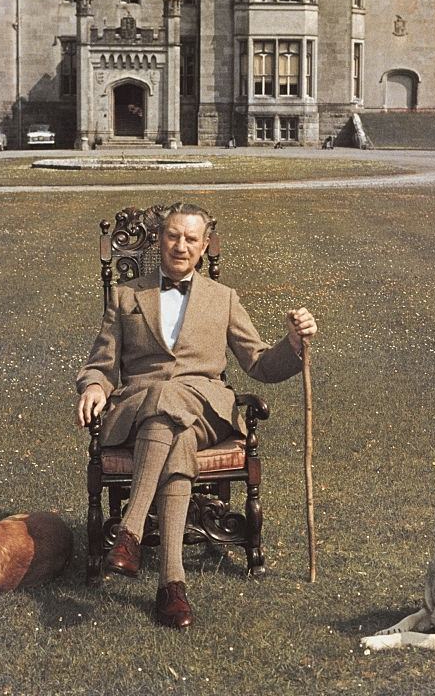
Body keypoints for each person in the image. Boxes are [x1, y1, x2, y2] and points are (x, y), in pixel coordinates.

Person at [76, 201, 316, 629]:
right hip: (144, 412)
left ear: (204, 246)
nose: (180, 246)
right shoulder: (126, 295)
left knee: (173, 401)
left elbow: (259, 362)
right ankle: (172, 584)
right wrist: (94, 385)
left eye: (190, 238)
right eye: (172, 236)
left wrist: (294, 343)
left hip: (208, 409)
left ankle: (129, 531)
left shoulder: (223, 299)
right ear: (160, 240)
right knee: (173, 428)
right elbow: (100, 361)